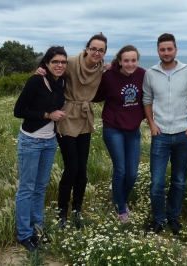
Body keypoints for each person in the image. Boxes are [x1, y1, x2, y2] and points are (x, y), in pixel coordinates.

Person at [37, 33, 107, 229]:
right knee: (72, 167)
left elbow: (120, 68)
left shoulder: (101, 67)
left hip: (85, 117)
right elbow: (53, 70)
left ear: (104, 53)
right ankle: (62, 213)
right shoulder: (72, 63)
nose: (96, 52)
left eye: (101, 50)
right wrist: (40, 70)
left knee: (82, 168)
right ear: (87, 48)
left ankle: (76, 211)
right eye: (93, 48)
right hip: (67, 116)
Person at [142, 33, 187, 235]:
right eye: (162, 49)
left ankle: (173, 217)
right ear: (158, 51)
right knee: (157, 182)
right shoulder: (150, 73)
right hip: (160, 135)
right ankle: (158, 219)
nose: (166, 52)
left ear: (176, 49)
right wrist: (151, 124)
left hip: (184, 134)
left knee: (179, 180)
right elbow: (146, 100)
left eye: (169, 49)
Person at [13, 46, 67, 251]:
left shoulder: (61, 81)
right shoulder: (36, 80)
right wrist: (47, 115)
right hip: (31, 141)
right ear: (46, 63)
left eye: (63, 62)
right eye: (55, 62)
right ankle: (24, 235)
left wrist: (108, 66)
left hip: (49, 141)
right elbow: (18, 111)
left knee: (40, 187)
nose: (60, 65)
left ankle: (37, 229)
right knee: (27, 188)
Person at [93, 45, 145, 222]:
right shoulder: (109, 76)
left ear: (137, 60)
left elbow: (149, 97)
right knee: (121, 170)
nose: (130, 64)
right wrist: (99, 72)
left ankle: (122, 201)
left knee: (132, 173)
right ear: (119, 61)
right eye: (126, 60)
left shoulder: (142, 75)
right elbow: (94, 95)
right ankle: (120, 209)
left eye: (133, 60)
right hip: (113, 128)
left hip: (133, 130)